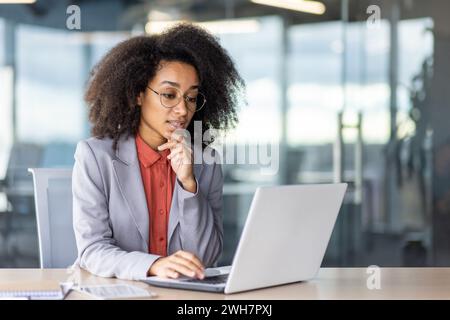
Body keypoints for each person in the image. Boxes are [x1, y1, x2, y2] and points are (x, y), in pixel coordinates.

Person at [72, 23, 244, 280]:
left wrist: (188, 183)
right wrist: (153, 265)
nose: (183, 110)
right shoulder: (95, 157)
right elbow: (93, 250)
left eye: (191, 97)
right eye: (169, 94)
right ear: (139, 94)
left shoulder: (205, 162)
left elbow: (205, 258)